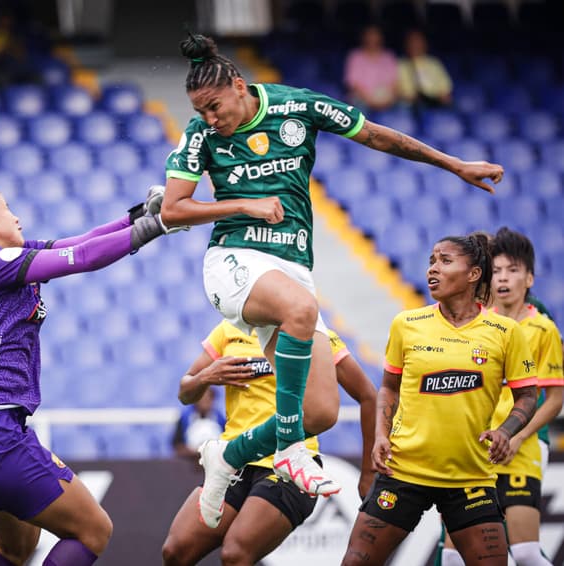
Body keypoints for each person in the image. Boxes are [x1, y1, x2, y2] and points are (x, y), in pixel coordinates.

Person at [160, 32, 505, 528]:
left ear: (239, 85)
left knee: (320, 411)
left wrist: (454, 165)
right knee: (300, 310)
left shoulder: (297, 107)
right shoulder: (200, 134)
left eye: (214, 106)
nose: (211, 119)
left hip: (292, 265)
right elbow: (173, 209)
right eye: (202, 111)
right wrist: (243, 204)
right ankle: (288, 449)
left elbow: (380, 136)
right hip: (234, 262)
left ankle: (230, 454)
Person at [0, 186, 179, 565]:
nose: (16, 216)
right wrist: (158, 224)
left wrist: (137, 215)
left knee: (15, 548)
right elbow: (81, 257)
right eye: (8, 208)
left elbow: (81, 241)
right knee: (94, 530)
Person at [341, 233, 538, 566]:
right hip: (404, 472)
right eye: (432, 260)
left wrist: (505, 432)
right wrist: (380, 436)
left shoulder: (505, 332)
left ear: (474, 274)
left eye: (445, 261)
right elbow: (388, 387)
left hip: (469, 478)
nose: (433, 269)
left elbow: (527, 396)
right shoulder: (407, 323)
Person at [162, 322, 377, 566]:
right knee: (175, 551)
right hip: (232, 464)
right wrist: (206, 377)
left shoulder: (314, 334)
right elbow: (185, 393)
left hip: (288, 465)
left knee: (235, 554)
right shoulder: (228, 330)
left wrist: (368, 472)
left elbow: (368, 395)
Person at [439, 228, 562, 566]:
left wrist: (518, 437)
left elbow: (553, 398)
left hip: (519, 446)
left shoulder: (543, 328)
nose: (504, 278)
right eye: (499, 271)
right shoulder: (476, 323)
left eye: (513, 270)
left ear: (529, 278)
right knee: (453, 557)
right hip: (476, 446)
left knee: (524, 553)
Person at [343, 25, 399, 112]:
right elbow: (353, 83)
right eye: (369, 35)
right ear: (363, 37)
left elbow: (394, 81)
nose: (372, 39)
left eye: (375, 35)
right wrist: (370, 99)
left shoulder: (388, 56)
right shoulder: (355, 56)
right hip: (362, 100)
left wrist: (387, 99)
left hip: (386, 100)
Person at [397, 29, 453, 110]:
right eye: (412, 41)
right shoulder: (401, 65)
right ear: (406, 45)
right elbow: (401, 92)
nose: (415, 45)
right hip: (412, 104)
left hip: (434, 101)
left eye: (418, 41)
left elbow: (445, 89)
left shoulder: (434, 63)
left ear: (425, 43)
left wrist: (440, 97)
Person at [172, 387, 227, 459]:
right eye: (202, 398)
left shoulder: (221, 419)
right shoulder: (185, 418)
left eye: (208, 398)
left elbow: (227, 444)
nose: (205, 402)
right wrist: (193, 452)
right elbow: (177, 445)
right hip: (190, 463)